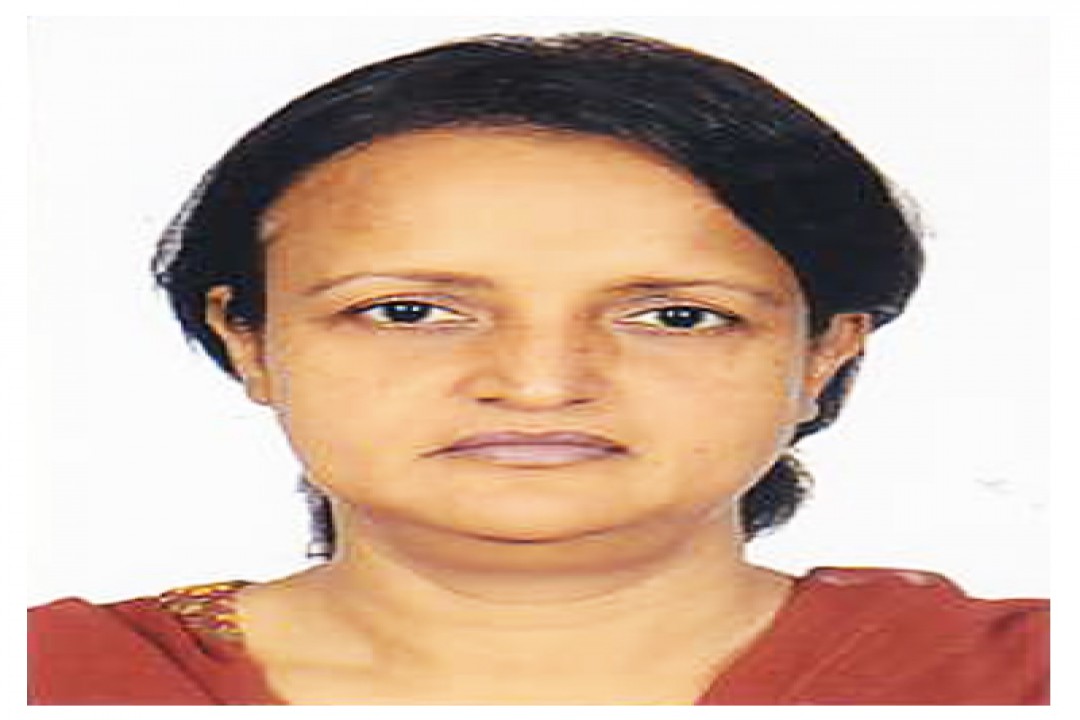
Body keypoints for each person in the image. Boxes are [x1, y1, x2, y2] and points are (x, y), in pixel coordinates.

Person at [28, 31, 1048, 705]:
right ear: (247, 338)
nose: (540, 383)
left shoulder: (1022, 679)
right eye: (409, 311)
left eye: (677, 316)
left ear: (826, 351)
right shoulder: (55, 679)